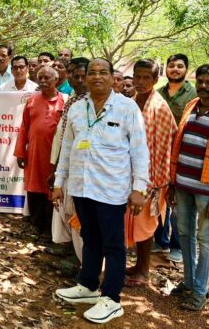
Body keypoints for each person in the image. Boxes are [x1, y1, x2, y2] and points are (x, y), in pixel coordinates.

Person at [54, 59, 149, 324]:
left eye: (102, 72)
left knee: (113, 244)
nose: (96, 77)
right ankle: (88, 286)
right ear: (85, 78)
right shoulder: (77, 108)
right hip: (82, 187)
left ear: (112, 78)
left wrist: (139, 188)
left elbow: (140, 150)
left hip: (112, 189)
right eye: (91, 73)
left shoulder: (127, 108)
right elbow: (68, 149)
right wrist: (59, 183)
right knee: (90, 237)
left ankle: (112, 299)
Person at [168, 64, 209, 311]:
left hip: (207, 190)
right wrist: (172, 183)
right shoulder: (191, 106)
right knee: (185, 234)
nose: (204, 86)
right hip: (182, 184)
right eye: (201, 81)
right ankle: (188, 282)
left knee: (205, 239)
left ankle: (200, 290)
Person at [123, 59, 176, 288]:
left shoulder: (159, 107)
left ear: (156, 80)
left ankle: (144, 271)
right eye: (138, 76)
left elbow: (166, 144)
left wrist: (149, 182)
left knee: (144, 226)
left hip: (151, 179)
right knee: (134, 223)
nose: (141, 82)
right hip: (131, 174)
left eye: (147, 78)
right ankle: (138, 265)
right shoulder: (132, 101)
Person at [15, 67, 65, 239]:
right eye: (40, 78)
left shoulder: (64, 101)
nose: (43, 81)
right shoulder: (32, 100)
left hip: (56, 156)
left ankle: (51, 229)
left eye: (47, 78)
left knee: (52, 190)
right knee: (35, 189)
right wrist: (20, 152)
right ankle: (36, 225)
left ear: (56, 80)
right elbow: (24, 128)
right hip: (35, 154)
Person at [49, 57, 90, 270]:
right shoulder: (73, 99)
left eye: (83, 75)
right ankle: (71, 251)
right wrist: (56, 166)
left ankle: (81, 261)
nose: (78, 79)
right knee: (66, 209)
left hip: (83, 170)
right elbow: (63, 137)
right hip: (66, 164)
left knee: (79, 215)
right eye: (74, 74)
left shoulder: (93, 103)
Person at [155, 54, 194, 262]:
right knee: (159, 197)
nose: (175, 69)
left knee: (178, 203)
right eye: (171, 66)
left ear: (186, 70)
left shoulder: (193, 94)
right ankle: (159, 240)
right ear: (166, 69)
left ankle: (177, 245)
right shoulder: (158, 93)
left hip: (182, 155)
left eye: (180, 66)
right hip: (160, 153)